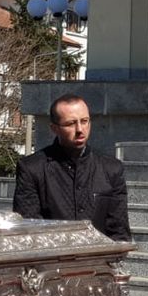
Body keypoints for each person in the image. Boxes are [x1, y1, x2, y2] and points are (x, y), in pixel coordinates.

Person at [13, 94, 131, 241]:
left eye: (84, 121)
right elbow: (29, 228)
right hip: (52, 259)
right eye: (70, 124)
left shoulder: (111, 168)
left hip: (98, 260)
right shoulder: (32, 168)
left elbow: (119, 231)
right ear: (54, 128)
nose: (80, 129)